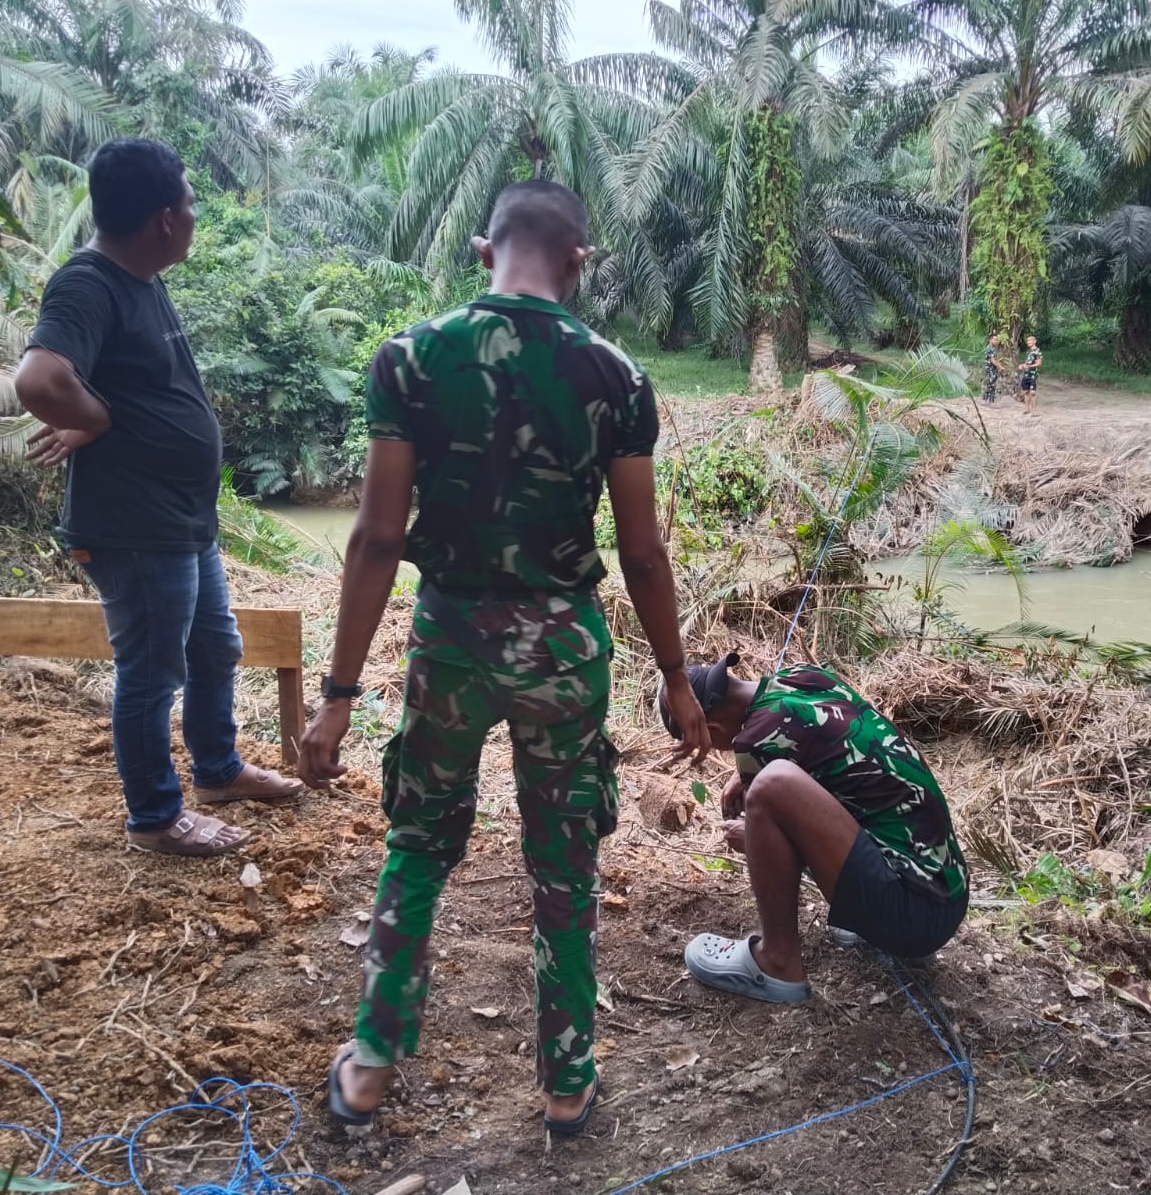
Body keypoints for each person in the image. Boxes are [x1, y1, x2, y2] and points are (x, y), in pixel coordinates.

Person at [296, 180, 710, 1137]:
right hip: (564, 650)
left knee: (418, 844)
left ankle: (371, 1064)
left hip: (449, 641)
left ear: (485, 251)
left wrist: (338, 694)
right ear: (580, 261)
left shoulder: (410, 358)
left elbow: (376, 538)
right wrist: (676, 677)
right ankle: (567, 1082)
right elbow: (643, 552)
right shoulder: (617, 376)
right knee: (564, 864)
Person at [14, 137, 301, 859]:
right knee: (151, 672)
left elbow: (122, 383)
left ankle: (218, 770)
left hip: (179, 521)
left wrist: (103, 413)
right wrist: (96, 419)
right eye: (190, 203)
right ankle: (154, 817)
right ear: (164, 219)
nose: (195, 216)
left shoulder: (140, 277)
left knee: (215, 648)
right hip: (134, 525)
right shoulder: (88, 283)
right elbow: (40, 379)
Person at [658, 654, 969, 1004]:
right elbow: (821, 737)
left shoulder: (755, 743)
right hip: (946, 894)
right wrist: (741, 771)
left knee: (773, 784)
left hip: (912, 916)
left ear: (711, 730)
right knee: (786, 782)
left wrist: (755, 839)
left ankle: (777, 962)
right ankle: (862, 921)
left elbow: (771, 791)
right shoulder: (803, 678)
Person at [1018, 334, 1042, 414]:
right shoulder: (1028, 351)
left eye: (1030, 340)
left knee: (1033, 393)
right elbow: (1027, 362)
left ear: (1035, 341)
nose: (1028, 342)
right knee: (1026, 392)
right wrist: (1022, 365)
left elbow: (1039, 363)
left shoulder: (1037, 351)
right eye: (1028, 340)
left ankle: (1034, 411)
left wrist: (1029, 366)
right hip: (1026, 374)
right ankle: (1027, 409)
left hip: (1033, 375)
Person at [982, 332, 1006, 406]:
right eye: (995, 340)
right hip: (990, 369)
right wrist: (1000, 367)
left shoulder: (993, 349)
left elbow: (996, 359)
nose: (996, 341)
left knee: (991, 384)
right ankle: (989, 401)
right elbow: (992, 360)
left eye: (997, 340)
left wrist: (1000, 367)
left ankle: (987, 400)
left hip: (993, 369)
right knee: (990, 385)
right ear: (990, 340)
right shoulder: (989, 348)